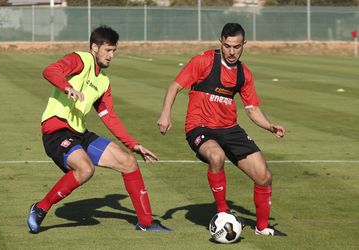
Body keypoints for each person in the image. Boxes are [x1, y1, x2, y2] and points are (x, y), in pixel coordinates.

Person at [27, 25, 171, 233]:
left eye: (114, 51)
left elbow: (109, 116)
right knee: (85, 169)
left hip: (79, 133)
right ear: (94, 47)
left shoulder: (103, 81)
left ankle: (146, 222)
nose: (111, 56)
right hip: (56, 130)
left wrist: (134, 144)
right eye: (108, 50)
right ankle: (40, 208)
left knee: (128, 161)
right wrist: (67, 87)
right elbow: (50, 70)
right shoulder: (81, 59)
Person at [157, 23, 286, 236]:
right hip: (200, 127)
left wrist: (269, 126)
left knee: (264, 176)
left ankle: (262, 228)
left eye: (236, 46)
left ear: (244, 44)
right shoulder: (204, 61)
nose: (232, 51)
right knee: (216, 156)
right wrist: (165, 114)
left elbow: (252, 109)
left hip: (229, 128)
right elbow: (175, 87)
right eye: (227, 46)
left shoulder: (244, 74)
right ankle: (222, 213)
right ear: (221, 42)